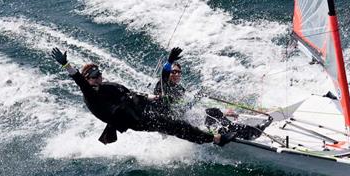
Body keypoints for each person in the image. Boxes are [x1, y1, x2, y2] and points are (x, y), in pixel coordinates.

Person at [50, 47, 235, 146]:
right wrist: (66, 64)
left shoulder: (108, 87)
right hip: (136, 120)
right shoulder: (90, 94)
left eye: (99, 74)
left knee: (176, 116)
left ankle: (215, 128)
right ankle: (216, 139)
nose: (99, 77)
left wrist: (150, 97)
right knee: (176, 126)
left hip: (142, 109)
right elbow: (78, 79)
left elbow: (131, 94)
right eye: (94, 76)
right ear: (87, 79)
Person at [151, 47, 264, 141]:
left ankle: (246, 131)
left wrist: (196, 99)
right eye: (173, 72)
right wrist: (170, 61)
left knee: (213, 112)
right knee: (210, 117)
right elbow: (163, 75)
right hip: (169, 125)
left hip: (180, 119)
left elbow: (185, 108)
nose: (176, 74)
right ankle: (234, 133)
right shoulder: (162, 84)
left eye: (179, 72)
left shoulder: (180, 89)